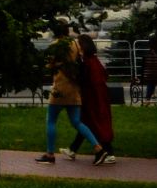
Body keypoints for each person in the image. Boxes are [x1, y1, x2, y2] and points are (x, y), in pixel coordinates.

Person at [36, 19, 97, 165]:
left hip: (60, 88)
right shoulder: (75, 44)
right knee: (77, 122)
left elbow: (49, 65)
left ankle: (50, 154)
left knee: (51, 121)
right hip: (74, 88)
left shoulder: (55, 45)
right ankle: (97, 146)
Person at [69, 33, 119, 165]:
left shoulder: (87, 63)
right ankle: (73, 149)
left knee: (93, 123)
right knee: (88, 123)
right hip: (99, 97)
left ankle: (108, 152)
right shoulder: (94, 61)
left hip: (92, 98)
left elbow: (85, 80)